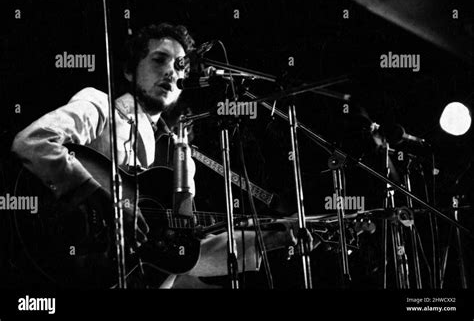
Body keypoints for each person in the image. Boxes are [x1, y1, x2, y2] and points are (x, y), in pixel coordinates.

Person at [11, 23, 301, 288]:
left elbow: (185, 253)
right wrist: (103, 201)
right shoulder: (100, 107)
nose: (171, 72)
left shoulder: (180, 155)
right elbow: (34, 142)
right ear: (129, 71)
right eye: (159, 59)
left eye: (180, 66)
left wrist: (272, 238)